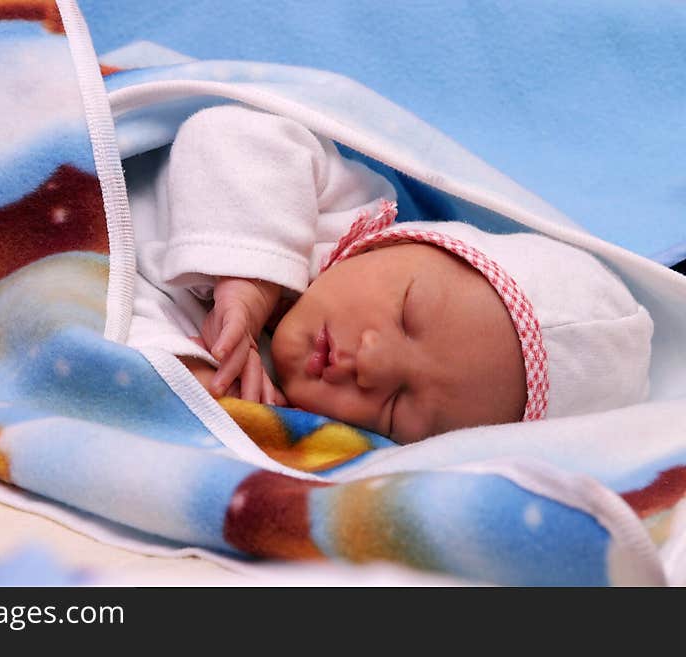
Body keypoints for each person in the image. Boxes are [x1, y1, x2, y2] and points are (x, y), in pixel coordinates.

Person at [125, 104, 653, 444]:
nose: (372, 364)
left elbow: (109, 322)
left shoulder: (284, 414)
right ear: (400, 242)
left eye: (399, 409)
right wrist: (250, 275)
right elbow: (229, 128)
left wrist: (191, 375)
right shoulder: (339, 211)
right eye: (407, 314)